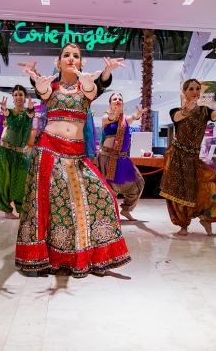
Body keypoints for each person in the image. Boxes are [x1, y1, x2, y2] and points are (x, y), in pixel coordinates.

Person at [15, 43, 131, 278]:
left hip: (76, 156)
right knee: (52, 207)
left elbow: (92, 89)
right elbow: (43, 92)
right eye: (66, 55)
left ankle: (92, 255)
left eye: (76, 56)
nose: (70, 58)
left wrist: (103, 74)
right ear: (58, 62)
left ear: (81, 63)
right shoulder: (52, 87)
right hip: (49, 151)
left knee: (104, 195)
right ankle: (44, 258)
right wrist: (37, 82)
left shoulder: (85, 87)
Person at [160, 79, 216, 237]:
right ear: (184, 92)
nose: (195, 92)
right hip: (178, 157)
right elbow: (177, 118)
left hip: (193, 158)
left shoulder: (204, 111)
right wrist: (187, 109)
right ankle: (183, 225)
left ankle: (206, 217)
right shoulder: (175, 110)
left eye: (197, 89)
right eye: (191, 89)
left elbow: (214, 115)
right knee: (181, 193)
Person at [98, 93, 147, 221]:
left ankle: (126, 210)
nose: (118, 100)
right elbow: (111, 118)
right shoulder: (105, 117)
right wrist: (116, 113)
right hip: (108, 157)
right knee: (108, 188)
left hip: (123, 158)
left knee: (139, 182)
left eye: (120, 99)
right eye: (115, 99)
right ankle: (106, 214)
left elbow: (133, 118)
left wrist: (137, 115)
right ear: (110, 103)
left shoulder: (125, 119)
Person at [0, 85, 34, 219]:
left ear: (25, 97)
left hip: (21, 154)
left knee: (21, 182)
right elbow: (9, 118)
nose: (18, 97)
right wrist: (5, 109)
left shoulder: (29, 113)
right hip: (4, 152)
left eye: (20, 94)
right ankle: (6, 210)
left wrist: (30, 108)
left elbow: (29, 115)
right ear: (13, 97)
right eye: (15, 95)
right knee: (4, 181)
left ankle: (21, 209)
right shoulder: (9, 112)